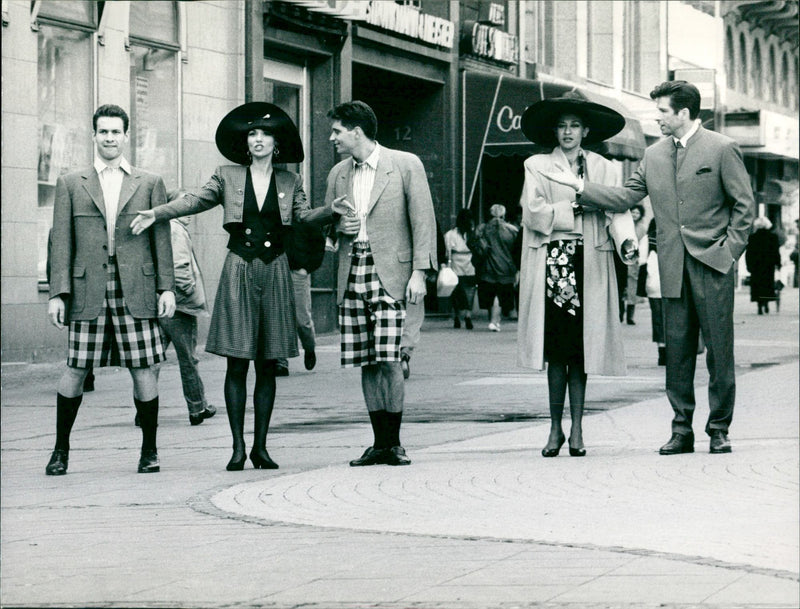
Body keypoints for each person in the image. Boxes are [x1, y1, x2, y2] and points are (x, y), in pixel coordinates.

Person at [540, 80, 755, 455]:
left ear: (684, 113)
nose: (659, 119)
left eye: (663, 113)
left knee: (720, 351)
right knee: (677, 351)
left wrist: (728, 253)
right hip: (671, 265)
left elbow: (744, 207)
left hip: (713, 264)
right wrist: (579, 187)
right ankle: (681, 429)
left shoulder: (722, 148)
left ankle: (719, 429)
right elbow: (625, 196)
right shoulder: (654, 155)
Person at [131, 102, 334, 471]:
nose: (257, 140)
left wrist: (333, 210)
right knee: (238, 364)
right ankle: (238, 448)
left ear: (277, 143)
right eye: (252, 134)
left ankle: (261, 448)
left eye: (264, 134)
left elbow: (304, 216)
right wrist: (157, 212)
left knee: (268, 364)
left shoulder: (291, 181)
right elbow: (195, 200)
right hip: (239, 268)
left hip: (275, 271)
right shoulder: (226, 175)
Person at [46, 104, 176, 475]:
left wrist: (166, 288)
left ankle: (149, 451)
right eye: (103, 132)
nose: (109, 138)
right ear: (94, 135)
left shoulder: (149, 182)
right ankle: (60, 452)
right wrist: (58, 292)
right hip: (89, 289)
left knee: (143, 367)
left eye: (115, 132)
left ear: (125, 136)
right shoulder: (71, 182)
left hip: (136, 286)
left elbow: (161, 238)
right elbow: (60, 242)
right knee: (75, 367)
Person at [516, 93, 637, 458]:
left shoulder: (605, 168)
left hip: (592, 262)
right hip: (554, 263)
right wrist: (573, 206)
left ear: (586, 131)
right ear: (555, 131)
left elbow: (617, 210)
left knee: (582, 352)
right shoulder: (537, 164)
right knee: (557, 352)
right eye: (562, 126)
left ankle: (579, 430)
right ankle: (554, 429)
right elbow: (532, 213)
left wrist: (628, 243)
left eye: (574, 126)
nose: (568, 132)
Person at [325, 100, 437, 467]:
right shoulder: (338, 173)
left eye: (338, 131)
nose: (333, 138)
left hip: (393, 275)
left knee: (390, 359)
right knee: (366, 361)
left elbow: (424, 221)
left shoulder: (405, 165)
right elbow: (329, 226)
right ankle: (378, 443)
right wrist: (339, 228)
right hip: (352, 272)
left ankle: (394, 442)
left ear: (357, 131)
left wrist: (421, 272)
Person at [157, 196, 217, 425]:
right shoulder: (176, 230)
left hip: (162, 303)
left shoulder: (164, 227)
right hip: (180, 306)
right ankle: (197, 407)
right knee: (188, 358)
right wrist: (189, 290)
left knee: (151, 361)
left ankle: (143, 410)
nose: (190, 211)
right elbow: (180, 266)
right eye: (184, 206)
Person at [275, 221, 327, 375]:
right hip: (274, 270)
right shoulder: (271, 210)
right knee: (277, 317)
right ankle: (280, 361)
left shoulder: (306, 217)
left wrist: (306, 268)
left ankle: (309, 347)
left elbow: (319, 246)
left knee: (301, 319)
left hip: (298, 272)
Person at [399, 223, 447, 379]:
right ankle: (404, 353)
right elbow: (435, 236)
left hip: (391, 265)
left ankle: (391, 352)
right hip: (415, 267)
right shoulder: (422, 207)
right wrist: (435, 265)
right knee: (413, 310)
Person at [476, 204, 519, 332]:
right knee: (500, 296)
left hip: (487, 267)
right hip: (506, 268)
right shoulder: (512, 230)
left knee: (492, 294)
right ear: (504, 215)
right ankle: (495, 321)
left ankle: (493, 320)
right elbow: (517, 249)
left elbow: (474, 245)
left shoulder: (482, 229)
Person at [444, 209, 477, 330]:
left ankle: (457, 316)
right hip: (470, 264)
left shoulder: (450, 234)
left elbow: (447, 251)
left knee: (457, 293)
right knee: (470, 291)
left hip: (455, 265)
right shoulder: (472, 234)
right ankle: (468, 314)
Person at [745, 216, 781, 315]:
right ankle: (766, 304)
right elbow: (776, 252)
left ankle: (759, 306)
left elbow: (749, 253)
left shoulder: (752, 237)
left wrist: (748, 265)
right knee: (767, 284)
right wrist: (778, 264)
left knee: (757, 285)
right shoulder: (773, 237)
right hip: (768, 266)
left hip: (756, 266)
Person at [643, 217, 666, 366]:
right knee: (671, 320)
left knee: (658, 320)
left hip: (653, 286)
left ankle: (662, 351)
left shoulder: (647, 240)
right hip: (668, 286)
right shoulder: (672, 239)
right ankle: (667, 351)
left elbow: (640, 261)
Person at [624, 203, 648, 325]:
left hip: (634, 259)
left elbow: (644, 245)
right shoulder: (624, 224)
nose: (634, 214)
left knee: (632, 287)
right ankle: (619, 313)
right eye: (633, 212)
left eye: (637, 213)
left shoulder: (642, 229)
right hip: (621, 258)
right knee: (621, 286)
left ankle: (630, 316)